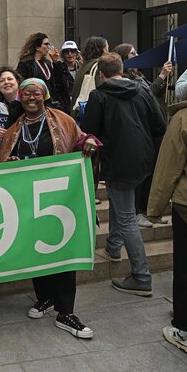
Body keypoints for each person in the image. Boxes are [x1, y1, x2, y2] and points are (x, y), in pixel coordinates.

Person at [0, 78, 100, 339]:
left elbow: (81, 139)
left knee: (64, 251)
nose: (31, 98)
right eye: (26, 94)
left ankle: (66, 312)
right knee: (37, 252)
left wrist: (89, 142)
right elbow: (3, 170)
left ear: (44, 95)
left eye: (36, 93)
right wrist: (10, 163)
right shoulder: (13, 131)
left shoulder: (62, 120)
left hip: (59, 200)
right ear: (20, 98)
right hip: (28, 204)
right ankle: (45, 298)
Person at [82, 53, 166, 296]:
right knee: (122, 204)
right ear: (122, 70)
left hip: (118, 162)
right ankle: (113, 246)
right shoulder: (142, 90)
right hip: (143, 161)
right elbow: (160, 125)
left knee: (127, 216)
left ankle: (141, 276)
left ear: (101, 75)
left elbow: (89, 132)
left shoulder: (99, 96)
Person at [113, 43, 172, 228]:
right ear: (124, 58)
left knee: (153, 173)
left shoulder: (138, 76)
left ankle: (149, 210)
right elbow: (148, 96)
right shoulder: (126, 80)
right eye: (132, 53)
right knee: (142, 176)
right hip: (142, 132)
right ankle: (138, 211)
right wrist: (161, 76)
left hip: (153, 131)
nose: (137, 55)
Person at [147, 88, 187, 353]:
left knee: (184, 266)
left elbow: (168, 167)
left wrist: (154, 209)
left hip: (186, 205)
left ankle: (183, 328)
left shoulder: (182, 118)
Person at [16, 32, 61, 109]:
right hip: (33, 104)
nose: (49, 47)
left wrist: (56, 62)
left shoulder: (47, 63)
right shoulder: (26, 63)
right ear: (37, 47)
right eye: (46, 44)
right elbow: (20, 84)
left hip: (49, 104)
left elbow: (57, 82)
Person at [71, 36, 109, 113]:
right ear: (103, 49)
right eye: (107, 48)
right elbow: (102, 92)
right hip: (90, 113)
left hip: (78, 113)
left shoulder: (83, 67)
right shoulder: (99, 66)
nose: (108, 51)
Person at [53, 40, 81, 114]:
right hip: (65, 107)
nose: (70, 54)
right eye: (67, 52)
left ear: (77, 53)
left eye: (72, 51)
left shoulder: (81, 68)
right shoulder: (59, 69)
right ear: (63, 55)